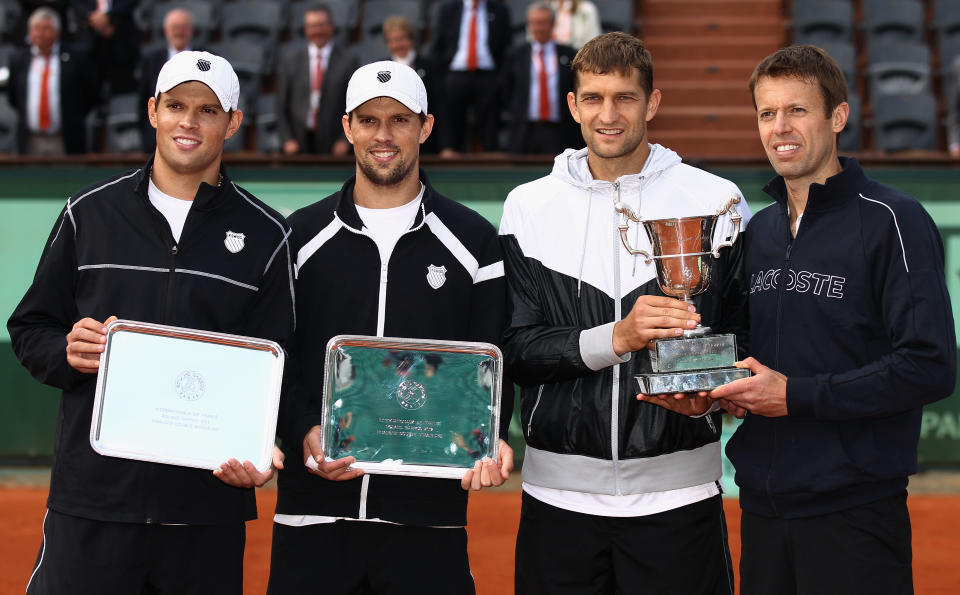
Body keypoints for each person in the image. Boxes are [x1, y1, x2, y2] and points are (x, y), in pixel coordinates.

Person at [7, 50, 296, 594]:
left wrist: (263, 447)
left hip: (205, 510)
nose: (189, 121)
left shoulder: (267, 234)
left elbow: (278, 362)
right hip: (92, 502)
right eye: (177, 105)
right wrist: (65, 351)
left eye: (209, 110)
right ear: (153, 112)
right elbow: (31, 328)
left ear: (232, 123)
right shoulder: (87, 212)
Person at [499, 31, 748, 594]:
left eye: (625, 98)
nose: (608, 115)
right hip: (557, 501)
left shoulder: (717, 199)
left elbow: (743, 335)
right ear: (573, 105)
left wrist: (717, 391)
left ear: (652, 103)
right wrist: (618, 336)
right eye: (593, 98)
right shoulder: (527, 206)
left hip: (680, 498)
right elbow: (517, 350)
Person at [709, 45, 957, 595]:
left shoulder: (895, 220)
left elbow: (930, 365)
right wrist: (725, 386)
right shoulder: (761, 231)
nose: (780, 128)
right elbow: (753, 349)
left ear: (837, 117)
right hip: (763, 510)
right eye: (767, 113)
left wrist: (795, 395)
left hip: (856, 515)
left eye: (797, 110)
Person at [267, 60, 513, 595]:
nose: (384, 135)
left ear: (426, 127)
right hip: (313, 516)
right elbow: (277, 358)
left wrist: (488, 435)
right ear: (347, 126)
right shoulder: (296, 237)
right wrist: (306, 428)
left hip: (427, 520)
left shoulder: (474, 241)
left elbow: (493, 361)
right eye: (370, 119)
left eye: (400, 120)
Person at [8, 7, 98, 155]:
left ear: (57, 32)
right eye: (36, 29)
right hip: (31, 140)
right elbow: (14, 97)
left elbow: (90, 94)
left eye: (46, 28)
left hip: (65, 139)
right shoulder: (19, 60)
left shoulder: (76, 58)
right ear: (30, 32)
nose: (40, 34)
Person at [429, 0, 512, 155]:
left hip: (488, 77)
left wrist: (500, 79)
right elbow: (436, 47)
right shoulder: (447, 9)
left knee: (489, 130)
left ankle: (490, 168)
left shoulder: (500, 11)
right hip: (455, 76)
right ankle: (452, 167)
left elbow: (506, 47)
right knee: (454, 127)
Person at [275, 2, 356, 156]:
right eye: (312, 26)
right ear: (306, 29)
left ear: (331, 27)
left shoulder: (348, 61)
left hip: (334, 145)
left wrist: (345, 140)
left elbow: (354, 104)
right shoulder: (291, 60)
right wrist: (287, 139)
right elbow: (281, 105)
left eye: (321, 25)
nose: (317, 31)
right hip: (298, 144)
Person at [501, 2, 579, 154]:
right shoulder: (515, 55)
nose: (539, 28)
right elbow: (506, 90)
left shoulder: (569, 55)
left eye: (543, 23)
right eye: (534, 23)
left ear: (553, 24)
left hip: (559, 131)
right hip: (525, 130)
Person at [138, 7, 197, 153]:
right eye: (174, 27)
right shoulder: (151, 61)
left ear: (191, 30)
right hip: (158, 140)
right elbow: (143, 101)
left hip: (195, 133)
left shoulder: (207, 59)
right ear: (166, 31)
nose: (179, 31)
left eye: (183, 27)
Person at [382, 15, 439, 153]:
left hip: (426, 141)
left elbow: (439, 106)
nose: (398, 44)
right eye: (393, 40)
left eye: (402, 39)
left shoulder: (429, 66)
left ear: (411, 40)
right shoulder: (381, 68)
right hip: (392, 140)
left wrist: (446, 146)